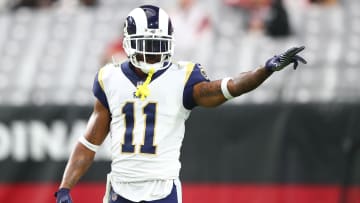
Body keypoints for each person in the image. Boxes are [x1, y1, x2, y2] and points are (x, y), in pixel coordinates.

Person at [55, 4, 307, 203]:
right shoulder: (109, 77)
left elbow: (228, 87)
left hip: (162, 192)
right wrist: (65, 187)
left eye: (160, 45)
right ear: (130, 43)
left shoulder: (182, 76)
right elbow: (89, 142)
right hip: (120, 190)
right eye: (148, 45)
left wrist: (264, 70)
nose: (155, 52)